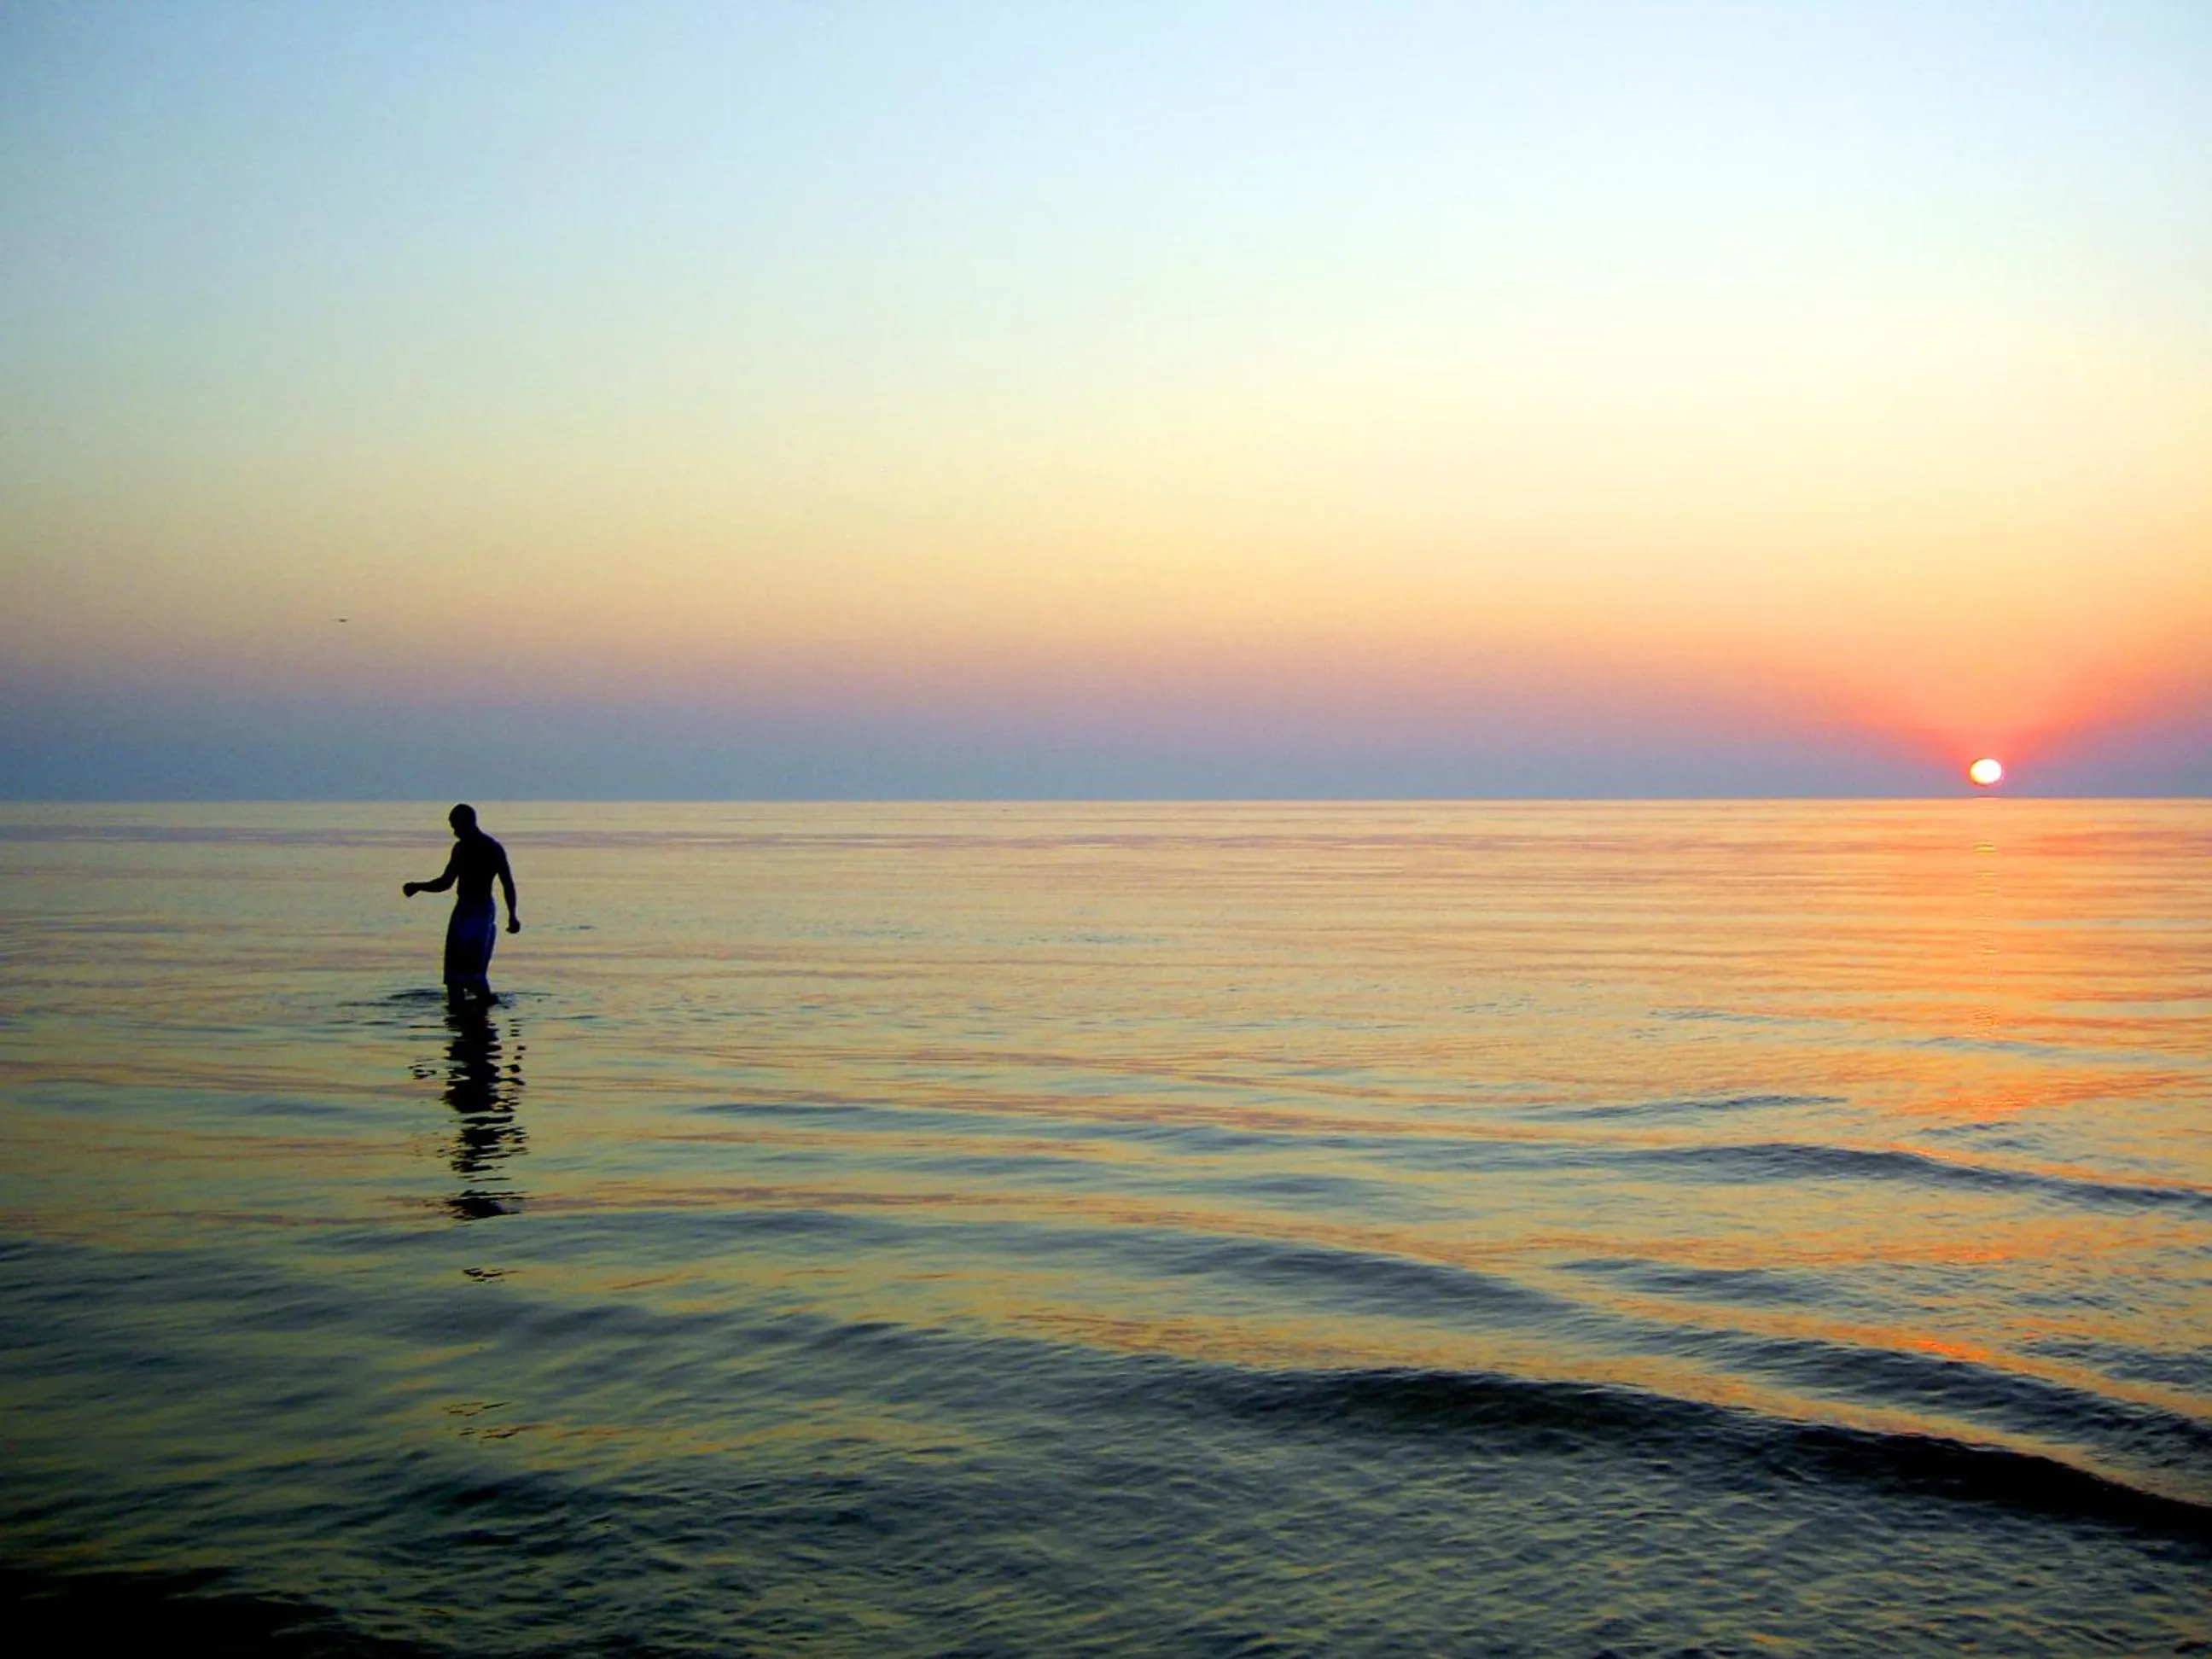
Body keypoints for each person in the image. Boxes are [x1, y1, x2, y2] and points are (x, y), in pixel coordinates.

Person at [404, 804, 520, 1003]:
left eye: (457, 827)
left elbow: (507, 883)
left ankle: (484, 1012)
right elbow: (446, 882)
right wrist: (418, 887)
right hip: (462, 910)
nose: (455, 832)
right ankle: (458, 1019)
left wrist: (512, 915)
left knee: (474, 974)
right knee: (454, 978)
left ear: (469, 823)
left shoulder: (491, 848)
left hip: (481, 911)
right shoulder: (460, 849)